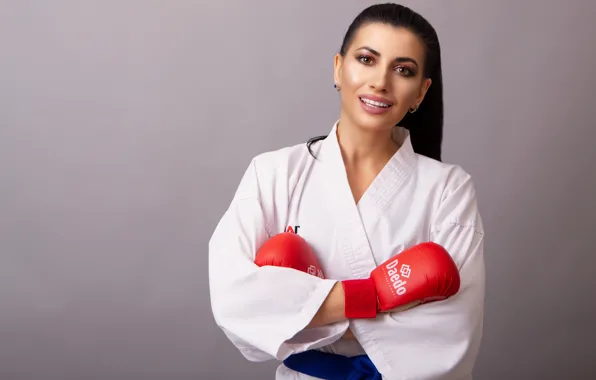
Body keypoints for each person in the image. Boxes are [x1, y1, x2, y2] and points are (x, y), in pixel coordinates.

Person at [208, 3, 486, 379]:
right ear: (339, 67)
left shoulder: (448, 189)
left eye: (403, 70)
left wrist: (302, 306)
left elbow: (453, 330)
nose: (381, 82)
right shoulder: (273, 172)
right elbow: (235, 298)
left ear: (421, 92)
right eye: (366, 59)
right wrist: (376, 295)